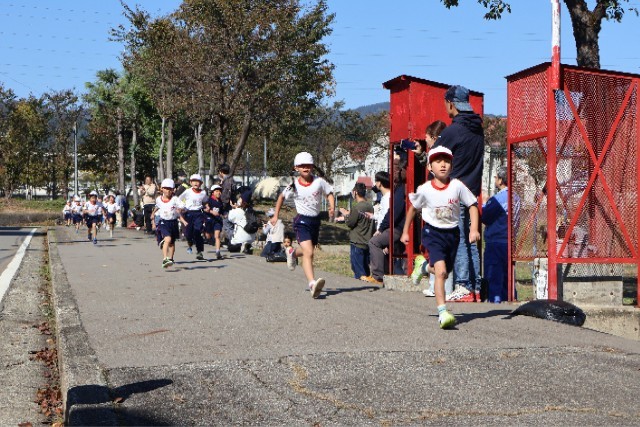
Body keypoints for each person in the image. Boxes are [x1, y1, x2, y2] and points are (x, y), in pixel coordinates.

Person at [401, 146, 480, 329]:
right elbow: (413, 209)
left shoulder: (457, 186)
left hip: (452, 234)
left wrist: (474, 229)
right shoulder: (425, 189)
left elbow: (472, 205)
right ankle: (443, 312)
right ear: (430, 167)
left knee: (444, 271)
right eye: (438, 161)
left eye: (446, 161)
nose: (443, 165)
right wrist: (405, 231)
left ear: (452, 165)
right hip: (433, 233)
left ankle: (423, 267)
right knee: (442, 272)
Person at [433, 85, 485, 302]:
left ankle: (463, 285)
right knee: (471, 239)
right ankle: (475, 288)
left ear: (451, 104)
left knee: (460, 238)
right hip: (472, 192)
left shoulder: (452, 131)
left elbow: (435, 156)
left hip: (454, 192)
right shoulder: (478, 130)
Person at [271, 151, 335, 299]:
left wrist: (332, 207)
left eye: (308, 165)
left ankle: (292, 253)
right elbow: (281, 197)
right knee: (309, 253)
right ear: (296, 168)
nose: (306, 168)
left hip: (315, 221)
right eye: (302, 165)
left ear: (312, 166)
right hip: (301, 221)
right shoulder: (293, 185)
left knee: (308, 251)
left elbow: (329, 193)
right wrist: (275, 215)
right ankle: (312, 284)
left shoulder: (319, 182)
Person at [363, 156, 407, 285]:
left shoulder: (396, 192)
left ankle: (378, 276)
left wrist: (382, 229)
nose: (394, 172)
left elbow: (392, 213)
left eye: (397, 169)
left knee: (374, 242)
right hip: (393, 226)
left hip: (396, 228)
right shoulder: (397, 190)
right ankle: (384, 274)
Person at [482, 166, 520, 303]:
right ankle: (509, 299)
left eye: (496, 177)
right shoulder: (516, 197)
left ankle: (495, 301)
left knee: (494, 276)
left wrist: (484, 203)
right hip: (509, 241)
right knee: (507, 276)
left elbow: (485, 217)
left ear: (500, 180)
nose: (495, 180)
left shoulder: (498, 199)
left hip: (495, 242)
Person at [339, 182, 374, 280]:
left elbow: (350, 223)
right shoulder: (370, 206)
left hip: (357, 242)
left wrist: (346, 214)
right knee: (365, 268)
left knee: (358, 270)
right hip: (367, 241)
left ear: (355, 192)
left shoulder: (357, 207)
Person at [152, 178, 187, 268]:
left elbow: (182, 206)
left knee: (171, 243)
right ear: (162, 189)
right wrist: (153, 214)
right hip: (164, 222)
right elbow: (157, 206)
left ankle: (170, 258)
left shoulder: (175, 199)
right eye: (166, 188)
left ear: (173, 190)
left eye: (170, 189)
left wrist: (180, 209)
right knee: (167, 239)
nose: (168, 191)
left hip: (173, 222)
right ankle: (165, 259)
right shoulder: (159, 199)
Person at [178, 174, 209, 260]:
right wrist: (182, 207)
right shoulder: (188, 191)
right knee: (188, 233)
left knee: (198, 232)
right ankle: (190, 241)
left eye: (198, 181)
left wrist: (207, 206)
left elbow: (205, 201)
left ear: (201, 183)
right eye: (194, 181)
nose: (196, 183)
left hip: (198, 213)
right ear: (191, 183)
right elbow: (180, 199)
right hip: (188, 213)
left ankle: (199, 251)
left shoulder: (203, 193)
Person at [204, 184, 225, 260]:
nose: (219, 193)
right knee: (208, 236)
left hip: (217, 220)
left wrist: (224, 214)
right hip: (209, 220)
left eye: (220, 191)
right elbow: (204, 208)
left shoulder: (220, 201)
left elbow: (221, 211)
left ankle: (218, 252)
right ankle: (207, 235)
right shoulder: (209, 200)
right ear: (213, 192)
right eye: (217, 191)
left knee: (217, 236)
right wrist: (211, 211)